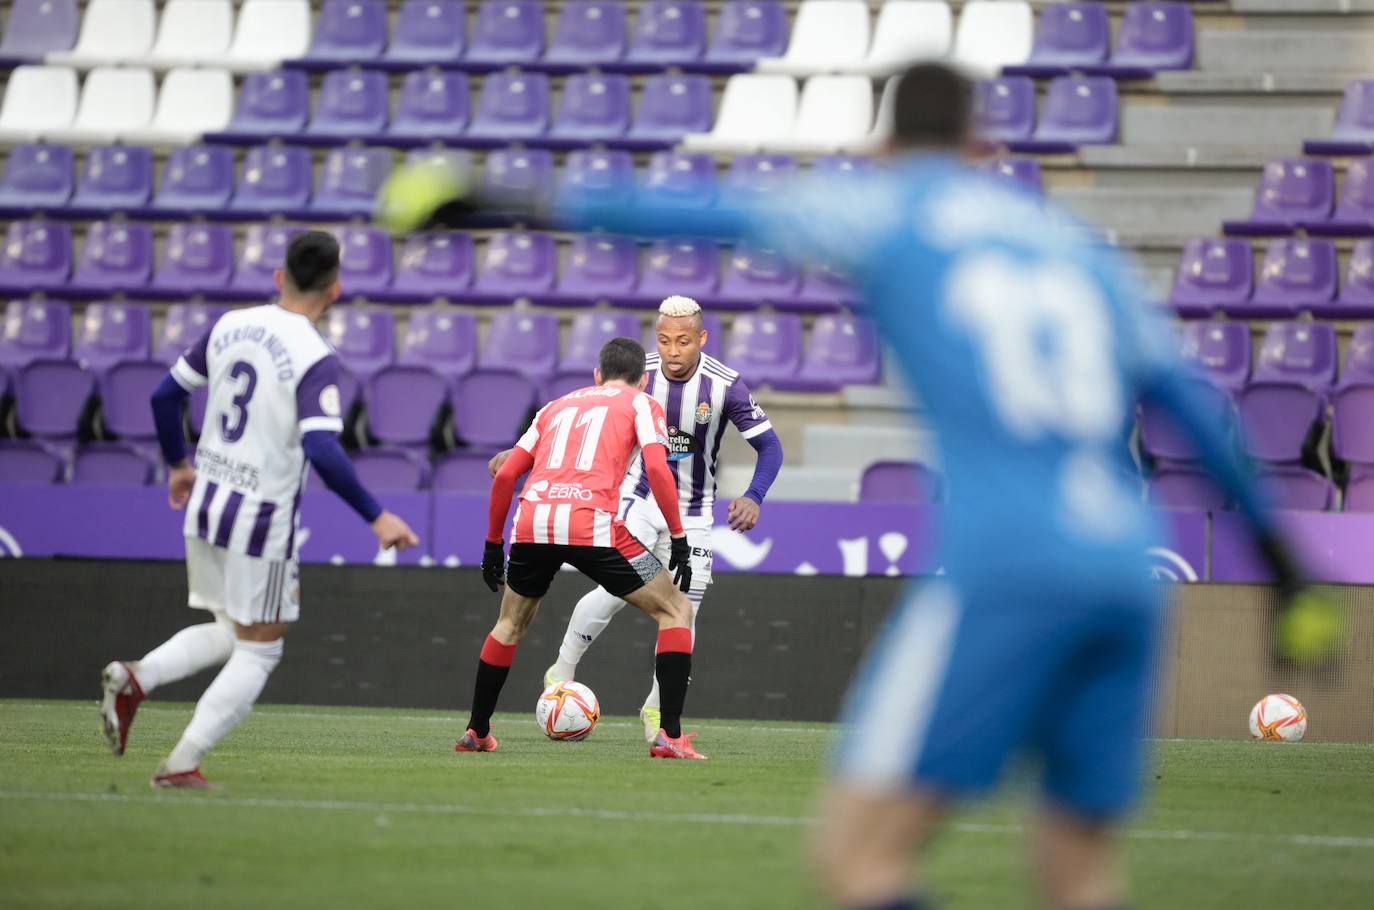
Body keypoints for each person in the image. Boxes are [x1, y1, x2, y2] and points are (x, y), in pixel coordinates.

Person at [376, 62, 1342, 909]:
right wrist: (1288, 573)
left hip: (1011, 560)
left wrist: (509, 199)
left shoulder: (892, 210)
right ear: (984, 140)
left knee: (857, 856)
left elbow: (712, 216)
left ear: (883, 145)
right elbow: (1192, 403)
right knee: (1082, 873)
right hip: (1130, 567)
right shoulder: (1073, 247)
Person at [100, 231, 419, 789]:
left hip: (206, 503)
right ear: (336, 291)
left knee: (230, 627)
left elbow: (163, 396)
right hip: (260, 518)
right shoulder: (315, 355)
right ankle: (180, 763)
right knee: (260, 649)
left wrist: (178, 462)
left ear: (279, 277)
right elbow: (321, 447)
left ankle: (137, 677)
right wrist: (377, 515)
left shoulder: (229, 325)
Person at [487, 294, 783, 742]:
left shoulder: (726, 385)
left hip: (695, 511)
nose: (673, 351)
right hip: (638, 499)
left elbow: (770, 446)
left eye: (683, 341)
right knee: (612, 591)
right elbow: (577, 421)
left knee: (685, 612)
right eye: (665, 341)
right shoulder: (636, 377)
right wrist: (521, 453)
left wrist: (755, 496)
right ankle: (561, 671)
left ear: (701, 338)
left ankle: (656, 711)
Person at [461, 337, 707, 760]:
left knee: (509, 625)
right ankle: (669, 736)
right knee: (676, 610)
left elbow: (504, 477)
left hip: (532, 520)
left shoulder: (555, 406)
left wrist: (492, 544)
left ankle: (476, 732)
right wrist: (680, 536)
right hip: (591, 521)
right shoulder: (642, 403)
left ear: (597, 374)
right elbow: (656, 468)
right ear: (643, 379)